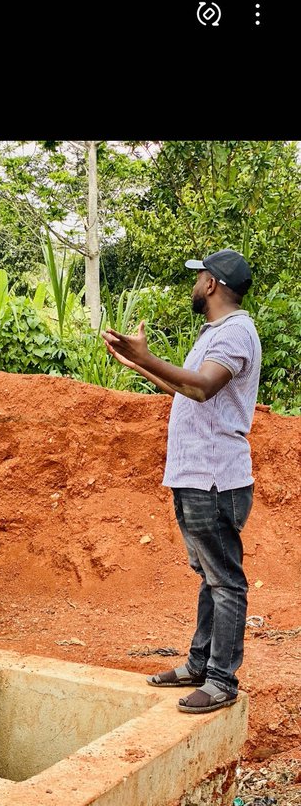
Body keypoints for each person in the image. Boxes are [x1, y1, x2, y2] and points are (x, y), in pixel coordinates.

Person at [102, 249, 261, 714]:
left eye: (199, 278)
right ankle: (199, 663)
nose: (194, 286)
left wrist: (148, 354)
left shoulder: (235, 332)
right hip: (197, 475)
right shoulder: (216, 334)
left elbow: (203, 387)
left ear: (211, 284)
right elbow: (190, 390)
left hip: (214, 477)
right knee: (210, 577)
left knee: (225, 581)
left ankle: (221, 680)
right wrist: (143, 366)